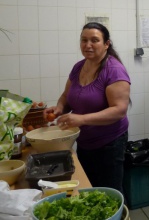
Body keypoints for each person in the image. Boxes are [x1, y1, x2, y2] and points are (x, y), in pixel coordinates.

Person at [44, 22, 130, 193]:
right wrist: (59, 108)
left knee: (110, 194)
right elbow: (66, 96)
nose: (88, 45)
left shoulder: (114, 70)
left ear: (107, 44)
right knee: (89, 188)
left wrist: (81, 119)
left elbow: (119, 110)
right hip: (84, 142)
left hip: (110, 144)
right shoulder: (79, 67)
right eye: (84, 40)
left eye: (94, 40)